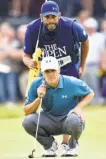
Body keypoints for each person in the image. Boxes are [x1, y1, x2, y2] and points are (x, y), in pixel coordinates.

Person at [23, 0, 89, 155]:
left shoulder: (72, 26)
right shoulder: (33, 29)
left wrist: (82, 65)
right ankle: (50, 143)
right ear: (41, 17)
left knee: (69, 106)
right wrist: (28, 62)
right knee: (48, 101)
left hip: (68, 67)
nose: (51, 20)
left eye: (54, 16)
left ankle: (66, 144)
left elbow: (85, 41)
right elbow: (26, 54)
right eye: (47, 17)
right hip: (47, 69)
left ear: (59, 15)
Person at [22, 56, 94, 157]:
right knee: (28, 122)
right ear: (42, 72)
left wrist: (78, 107)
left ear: (59, 70)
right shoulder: (36, 84)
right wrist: (39, 98)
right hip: (49, 120)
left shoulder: (71, 82)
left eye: (53, 70)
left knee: (74, 120)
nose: (51, 74)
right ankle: (50, 145)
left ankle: (72, 146)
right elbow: (26, 111)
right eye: (47, 71)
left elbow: (90, 93)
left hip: (68, 119)